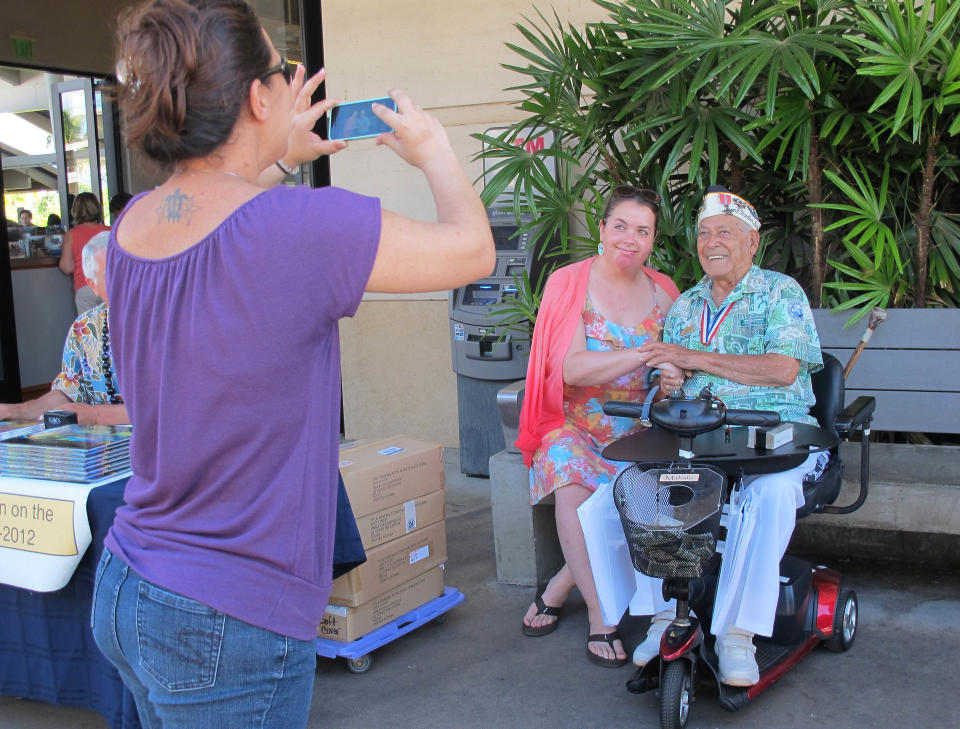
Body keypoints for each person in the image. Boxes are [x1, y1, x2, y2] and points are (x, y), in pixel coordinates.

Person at [91, 2, 494, 728]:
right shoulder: (302, 229)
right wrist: (432, 147)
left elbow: (228, 237)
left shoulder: (136, 223)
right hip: (227, 612)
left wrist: (275, 161)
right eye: (283, 73)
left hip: (129, 579)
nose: (290, 86)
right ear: (257, 97)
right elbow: (472, 251)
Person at [637, 185, 824, 687]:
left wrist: (694, 358)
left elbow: (784, 370)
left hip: (777, 437)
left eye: (724, 232)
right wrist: (670, 381)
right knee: (651, 489)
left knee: (768, 495)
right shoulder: (686, 305)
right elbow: (668, 387)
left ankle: (739, 634)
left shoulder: (780, 293)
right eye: (703, 232)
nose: (711, 241)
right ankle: (662, 619)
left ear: (752, 242)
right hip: (702, 439)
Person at [515, 185, 681, 668]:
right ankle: (601, 616)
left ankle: (561, 584)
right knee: (573, 487)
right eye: (621, 226)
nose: (630, 238)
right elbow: (570, 369)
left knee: (654, 492)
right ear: (603, 229)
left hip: (642, 427)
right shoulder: (569, 282)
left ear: (653, 241)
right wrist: (643, 355)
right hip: (574, 421)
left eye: (643, 230)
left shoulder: (665, 291)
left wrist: (670, 375)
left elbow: (674, 373)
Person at [0, 232, 127, 426]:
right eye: (112, 275)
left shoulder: (175, 324)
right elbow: (69, 390)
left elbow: (175, 409)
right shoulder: (85, 328)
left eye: (132, 271)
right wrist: (18, 410)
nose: (126, 282)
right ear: (93, 286)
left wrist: (96, 415)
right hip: (106, 449)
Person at [58, 191, 110, 314]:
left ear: (75, 211)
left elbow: (67, 267)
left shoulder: (72, 234)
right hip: (111, 286)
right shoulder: (111, 231)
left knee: (89, 328)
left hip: (86, 287)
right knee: (114, 327)